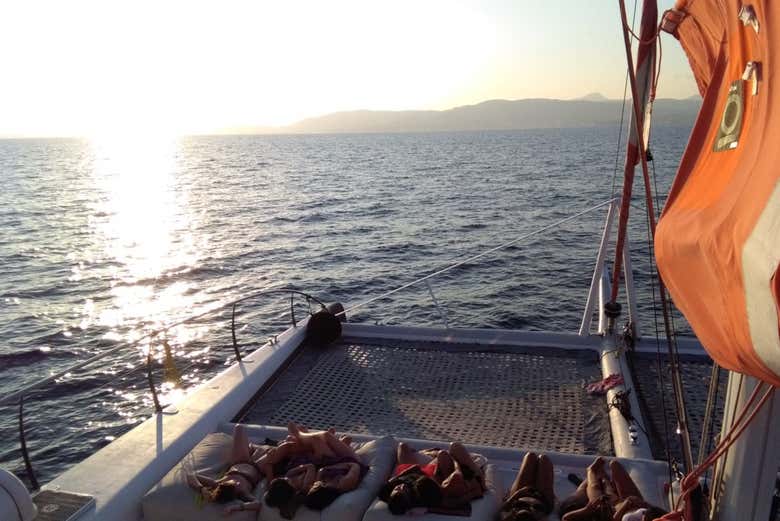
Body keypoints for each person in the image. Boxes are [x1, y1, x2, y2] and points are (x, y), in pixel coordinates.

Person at [186, 424, 266, 515]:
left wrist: (201, 489)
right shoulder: (243, 492)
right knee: (273, 451)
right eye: (236, 485)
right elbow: (258, 504)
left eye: (231, 483)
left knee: (239, 427)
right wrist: (236, 507)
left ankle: (251, 449)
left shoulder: (217, 483)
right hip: (257, 466)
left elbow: (191, 476)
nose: (237, 483)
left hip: (239, 461)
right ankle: (253, 449)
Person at [559, 457, 666, 521]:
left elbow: (566, 518)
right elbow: (655, 511)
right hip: (632, 503)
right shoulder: (660, 517)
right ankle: (603, 477)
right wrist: (644, 504)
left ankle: (591, 471)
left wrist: (587, 510)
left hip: (610, 510)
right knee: (614, 465)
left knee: (596, 487)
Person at [500, 452, 555, 521]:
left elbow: (504, 509)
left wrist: (519, 492)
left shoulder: (507, 519)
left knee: (530, 456)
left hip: (520, 495)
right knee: (544, 459)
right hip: (542, 499)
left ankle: (523, 501)